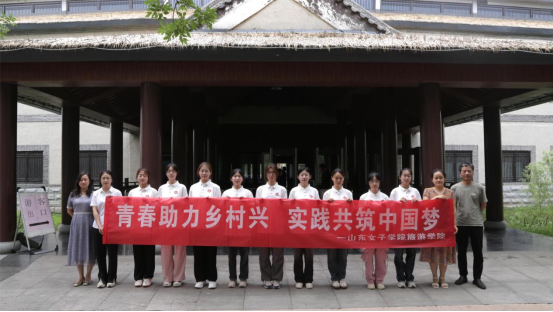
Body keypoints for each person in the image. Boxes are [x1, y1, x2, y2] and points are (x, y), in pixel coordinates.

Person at [451, 163, 488, 290]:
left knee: (478, 252)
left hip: (476, 224)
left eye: (469, 171)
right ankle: (463, 275)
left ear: (473, 172)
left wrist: (475, 214)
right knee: (461, 252)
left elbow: (483, 204)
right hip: (460, 224)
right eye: (464, 171)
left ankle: (477, 278)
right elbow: (453, 206)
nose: (466, 173)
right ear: (460, 173)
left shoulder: (479, 187)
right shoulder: (454, 188)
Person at [420, 169, 458, 289]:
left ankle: (443, 277)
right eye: (436, 178)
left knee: (444, 252)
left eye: (440, 177)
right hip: (432, 227)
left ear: (444, 179)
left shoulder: (450, 192)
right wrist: (437, 198)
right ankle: (435, 277)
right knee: (433, 252)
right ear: (432, 179)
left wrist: (454, 224)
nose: (438, 180)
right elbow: (424, 205)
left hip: (445, 227)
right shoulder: (427, 191)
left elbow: (454, 210)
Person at [190, 162, 222, 290]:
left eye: (206, 171)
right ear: (198, 172)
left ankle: (212, 278)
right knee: (198, 253)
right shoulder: (193, 187)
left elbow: (220, 205)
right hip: (197, 224)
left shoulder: (215, 187)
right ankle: (200, 278)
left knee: (210, 252)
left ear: (210, 173)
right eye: (202, 171)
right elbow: (190, 205)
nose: (204, 173)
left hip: (211, 224)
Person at [256, 163, 288, 290]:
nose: (271, 175)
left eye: (273, 173)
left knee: (278, 254)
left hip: (278, 225)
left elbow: (286, 208)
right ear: (265, 174)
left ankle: (277, 278)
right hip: (263, 224)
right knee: (263, 254)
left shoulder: (282, 190)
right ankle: (266, 277)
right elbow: (256, 207)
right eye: (269, 173)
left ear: (277, 174)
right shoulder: (260, 189)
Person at [389, 168, 421, 289]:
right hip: (398, 228)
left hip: (412, 228)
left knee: (411, 253)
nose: (406, 178)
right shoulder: (395, 192)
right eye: (404, 175)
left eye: (408, 176)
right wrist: (398, 203)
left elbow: (422, 209)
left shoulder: (416, 191)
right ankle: (400, 278)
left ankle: (410, 277)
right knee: (398, 255)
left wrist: (416, 202)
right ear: (399, 177)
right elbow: (390, 209)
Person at [289, 166, 320, 290]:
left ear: (310, 177)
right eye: (302, 174)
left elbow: (318, 208)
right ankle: (298, 279)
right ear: (298, 176)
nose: (304, 177)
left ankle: (308, 279)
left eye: (306, 174)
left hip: (310, 228)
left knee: (309, 255)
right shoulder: (293, 191)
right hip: (297, 226)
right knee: (297, 256)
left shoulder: (314, 191)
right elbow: (289, 209)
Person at [157, 163, 188, 288]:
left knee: (180, 251)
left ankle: (178, 277)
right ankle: (167, 277)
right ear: (166, 173)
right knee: (165, 251)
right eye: (169, 171)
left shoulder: (182, 187)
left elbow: (186, 204)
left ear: (177, 173)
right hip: (165, 222)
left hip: (179, 222)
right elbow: (158, 205)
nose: (171, 173)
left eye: (173, 171)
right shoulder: (161, 188)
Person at [222, 168, 254, 289]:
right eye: (234, 176)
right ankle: (232, 278)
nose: (237, 178)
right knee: (231, 255)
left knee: (244, 254)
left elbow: (252, 210)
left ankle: (243, 278)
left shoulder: (248, 193)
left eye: (239, 176)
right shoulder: (226, 193)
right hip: (231, 227)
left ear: (242, 179)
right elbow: (223, 210)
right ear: (231, 178)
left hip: (244, 227)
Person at [91, 170, 123, 289]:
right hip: (98, 227)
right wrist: (99, 225)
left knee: (112, 253)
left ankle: (112, 278)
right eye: (103, 178)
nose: (105, 180)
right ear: (100, 180)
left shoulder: (117, 193)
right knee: (100, 254)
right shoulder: (96, 194)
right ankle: (102, 278)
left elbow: (121, 209)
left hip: (112, 228)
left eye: (108, 178)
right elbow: (95, 210)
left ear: (112, 180)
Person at [323, 168, 353, 290]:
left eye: (340, 178)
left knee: (343, 255)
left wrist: (350, 204)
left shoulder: (348, 193)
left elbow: (353, 211)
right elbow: (322, 211)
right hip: (331, 228)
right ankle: (334, 278)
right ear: (332, 178)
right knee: (332, 255)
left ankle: (342, 277)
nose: (338, 180)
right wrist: (328, 204)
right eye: (336, 178)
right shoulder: (327, 194)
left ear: (343, 179)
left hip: (344, 228)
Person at [128, 168, 158, 288]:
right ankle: (138, 276)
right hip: (136, 226)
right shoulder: (132, 192)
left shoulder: (154, 192)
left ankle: (148, 276)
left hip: (149, 225)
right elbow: (128, 208)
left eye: (144, 175)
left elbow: (158, 207)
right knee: (138, 252)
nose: (142, 178)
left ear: (148, 177)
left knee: (149, 252)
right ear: (137, 177)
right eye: (140, 175)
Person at [359, 172, 389, 291]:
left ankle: (380, 279)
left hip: (382, 231)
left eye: (377, 181)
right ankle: (370, 279)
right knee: (368, 256)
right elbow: (360, 215)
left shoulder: (385, 197)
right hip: (368, 231)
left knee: (381, 257)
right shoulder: (363, 197)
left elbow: (390, 213)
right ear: (369, 183)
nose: (374, 184)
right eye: (372, 181)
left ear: (379, 182)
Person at [67, 172, 96, 287]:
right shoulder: (73, 194)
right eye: (81, 180)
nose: (83, 182)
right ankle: (80, 276)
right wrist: (76, 217)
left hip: (89, 221)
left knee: (89, 247)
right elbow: (69, 209)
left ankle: (88, 275)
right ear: (78, 182)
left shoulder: (93, 194)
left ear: (89, 181)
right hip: (77, 223)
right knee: (77, 247)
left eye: (85, 179)